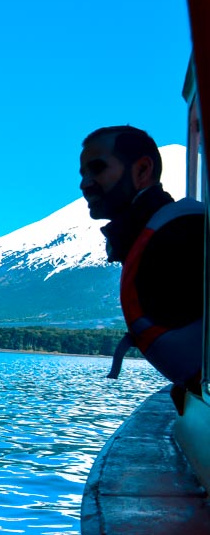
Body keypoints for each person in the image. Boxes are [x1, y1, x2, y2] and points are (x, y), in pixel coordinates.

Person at [79, 125, 204, 411]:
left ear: (142, 170)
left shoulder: (181, 237)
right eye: (83, 174)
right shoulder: (162, 232)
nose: (84, 184)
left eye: (97, 169)